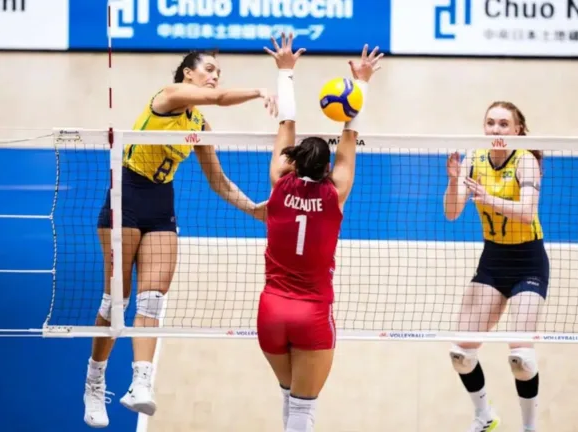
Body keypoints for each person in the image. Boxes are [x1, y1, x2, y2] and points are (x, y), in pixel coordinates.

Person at [83, 50, 275, 428]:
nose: (215, 76)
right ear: (188, 73)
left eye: (218, 72)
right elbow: (218, 98)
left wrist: (254, 209)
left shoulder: (198, 124)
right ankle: (94, 380)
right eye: (209, 69)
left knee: (152, 300)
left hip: (160, 203)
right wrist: (259, 91)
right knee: (115, 300)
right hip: (126, 195)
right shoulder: (167, 97)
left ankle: (140, 383)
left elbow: (217, 181)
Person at [257, 34, 383, 432]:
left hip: (271, 312)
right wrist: (360, 85)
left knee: (289, 400)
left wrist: (285, 71)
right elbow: (349, 138)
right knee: (302, 410)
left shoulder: (279, 182)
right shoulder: (335, 193)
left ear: (291, 163)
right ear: (326, 168)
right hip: (311, 314)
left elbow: (286, 123)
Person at [443, 101, 548, 432]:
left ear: (517, 130)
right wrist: (453, 181)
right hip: (493, 260)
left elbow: (527, 213)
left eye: (504, 124)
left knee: (521, 358)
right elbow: (452, 212)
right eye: (491, 123)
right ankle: (485, 415)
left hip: (528, 262)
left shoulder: (526, 162)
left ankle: (529, 427)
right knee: (461, 353)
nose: (496, 130)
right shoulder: (474, 159)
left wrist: (487, 198)